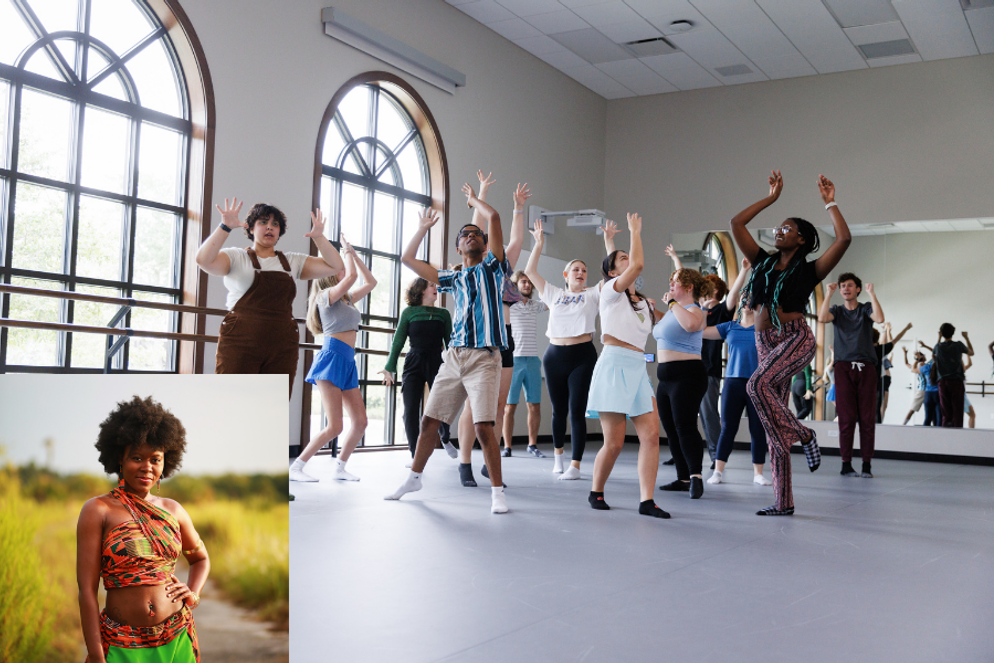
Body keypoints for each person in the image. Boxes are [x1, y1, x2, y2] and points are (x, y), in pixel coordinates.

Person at [385, 182, 512, 514]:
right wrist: (422, 228)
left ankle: (497, 491)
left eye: (475, 234)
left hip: (485, 357)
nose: (470, 236)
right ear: (458, 247)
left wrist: (474, 200)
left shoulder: (494, 269)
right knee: (430, 420)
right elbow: (407, 259)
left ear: (484, 245)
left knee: (484, 425)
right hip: (454, 357)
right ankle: (415, 476)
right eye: (464, 235)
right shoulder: (452, 278)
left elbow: (495, 217)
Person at [730, 171, 851, 516]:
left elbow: (843, 240)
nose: (779, 231)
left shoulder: (810, 270)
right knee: (772, 428)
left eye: (787, 228)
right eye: (778, 227)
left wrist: (830, 201)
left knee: (756, 385)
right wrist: (771, 198)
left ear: (801, 240)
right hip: (765, 341)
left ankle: (805, 434)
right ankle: (784, 503)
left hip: (795, 338)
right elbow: (736, 222)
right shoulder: (762, 262)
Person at [77, 396, 209, 663]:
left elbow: (200, 558)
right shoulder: (98, 510)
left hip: (176, 635)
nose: (147, 467)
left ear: (166, 462)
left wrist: (192, 594)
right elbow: (87, 590)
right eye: (137, 458)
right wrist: (95, 652)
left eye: (156, 459)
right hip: (122, 643)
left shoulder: (173, 510)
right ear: (119, 459)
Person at [195, 200, 345, 398]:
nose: (269, 227)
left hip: (281, 345)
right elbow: (203, 260)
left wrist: (318, 237)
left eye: (275, 224)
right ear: (250, 227)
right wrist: (225, 227)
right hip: (240, 342)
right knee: (231, 401)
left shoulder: (292, 261)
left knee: (273, 407)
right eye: (263, 222)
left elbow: (335, 266)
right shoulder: (236, 257)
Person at [586, 213, 670, 519]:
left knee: (650, 436)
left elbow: (673, 321)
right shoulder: (609, 293)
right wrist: (635, 231)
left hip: (637, 367)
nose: (628, 259)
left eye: (627, 255)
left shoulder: (644, 303)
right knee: (615, 442)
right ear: (611, 271)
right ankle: (596, 491)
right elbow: (635, 265)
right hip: (613, 365)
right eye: (621, 258)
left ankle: (647, 500)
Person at [452, 174, 526, 487]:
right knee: (472, 404)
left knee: (497, 405)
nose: (477, 239)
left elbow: (517, 242)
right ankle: (465, 461)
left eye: (481, 238)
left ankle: (488, 461)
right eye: (473, 238)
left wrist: (518, 209)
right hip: (475, 339)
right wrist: (478, 195)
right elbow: (472, 231)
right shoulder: (470, 268)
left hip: (504, 340)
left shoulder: (499, 266)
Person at [289, 236, 377, 482]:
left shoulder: (346, 299)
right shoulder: (325, 296)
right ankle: (296, 467)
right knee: (335, 426)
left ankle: (340, 467)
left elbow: (371, 282)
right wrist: (346, 252)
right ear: (331, 274)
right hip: (331, 358)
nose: (344, 270)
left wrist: (355, 257)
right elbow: (350, 277)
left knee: (360, 422)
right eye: (339, 268)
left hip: (347, 361)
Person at [524, 220, 601, 480]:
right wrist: (538, 243)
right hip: (555, 356)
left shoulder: (593, 294)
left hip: (582, 355)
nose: (580, 272)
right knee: (558, 411)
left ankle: (575, 465)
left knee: (577, 410)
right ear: (566, 275)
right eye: (575, 269)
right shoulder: (554, 293)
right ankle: (558, 457)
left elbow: (614, 279)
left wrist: (608, 240)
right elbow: (529, 270)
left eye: (584, 270)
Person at [702, 259, 772, 487]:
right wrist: (702, 310)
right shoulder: (729, 327)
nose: (746, 300)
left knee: (757, 428)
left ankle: (758, 473)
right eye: (744, 297)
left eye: (751, 298)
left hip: (756, 384)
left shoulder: (763, 329)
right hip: (732, 383)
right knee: (727, 428)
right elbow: (700, 331)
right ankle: (718, 472)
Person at [377, 278, 454, 463]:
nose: (435, 288)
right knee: (410, 410)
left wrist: (456, 368)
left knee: (441, 406)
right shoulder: (409, 313)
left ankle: (445, 436)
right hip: (413, 362)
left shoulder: (443, 314)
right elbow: (398, 341)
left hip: (437, 361)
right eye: (431, 285)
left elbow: (450, 344)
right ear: (420, 291)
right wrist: (389, 367)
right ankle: (414, 455)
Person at [817, 273, 884, 478]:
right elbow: (821, 318)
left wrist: (872, 294)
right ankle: (846, 464)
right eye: (843, 286)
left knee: (866, 418)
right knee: (846, 418)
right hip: (843, 367)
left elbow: (880, 319)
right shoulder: (836, 311)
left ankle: (866, 465)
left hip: (866, 367)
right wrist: (828, 294)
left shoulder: (865, 309)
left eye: (850, 286)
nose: (845, 289)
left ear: (857, 289)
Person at [653, 267, 711, 499]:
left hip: (688, 375)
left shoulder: (695, 309)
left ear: (688, 287)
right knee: (671, 429)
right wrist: (652, 309)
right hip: (665, 377)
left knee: (685, 426)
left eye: (675, 282)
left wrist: (671, 305)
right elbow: (667, 326)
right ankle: (683, 477)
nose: (670, 285)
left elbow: (690, 326)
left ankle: (696, 477)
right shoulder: (673, 311)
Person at [503, 271, 548, 458]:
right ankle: (507, 447)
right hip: (513, 361)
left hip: (532, 361)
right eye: (523, 282)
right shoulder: (509, 306)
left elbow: (553, 300)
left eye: (530, 282)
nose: (527, 285)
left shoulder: (535, 305)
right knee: (509, 407)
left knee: (534, 405)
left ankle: (532, 444)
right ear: (516, 284)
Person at [932, 323, 974, 428]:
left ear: (942, 334)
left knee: (946, 413)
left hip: (942, 382)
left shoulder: (938, 347)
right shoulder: (958, 345)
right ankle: (957, 437)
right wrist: (967, 338)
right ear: (953, 333)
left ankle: (946, 437)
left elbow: (934, 356)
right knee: (957, 412)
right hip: (956, 381)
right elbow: (971, 353)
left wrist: (938, 337)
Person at [874, 321, 912, 423]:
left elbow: (892, 341)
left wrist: (887, 330)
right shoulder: (879, 350)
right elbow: (890, 340)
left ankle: (879, 423)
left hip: (885, 378)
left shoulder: (882, 350)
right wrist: (886, 330)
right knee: (879, 406)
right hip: (881, 379)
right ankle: (877, 423)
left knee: (883, 406)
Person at [901, 347, 928, 426]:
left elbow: (906, 363)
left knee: (913, 410)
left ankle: (903, 425)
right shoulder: (922, 365)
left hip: (924, 390)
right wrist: (916, 358)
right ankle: (903, 425)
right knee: (912, 409)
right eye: (923, 355)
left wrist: (905, 354)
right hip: (923, 390)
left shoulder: (916, 366)